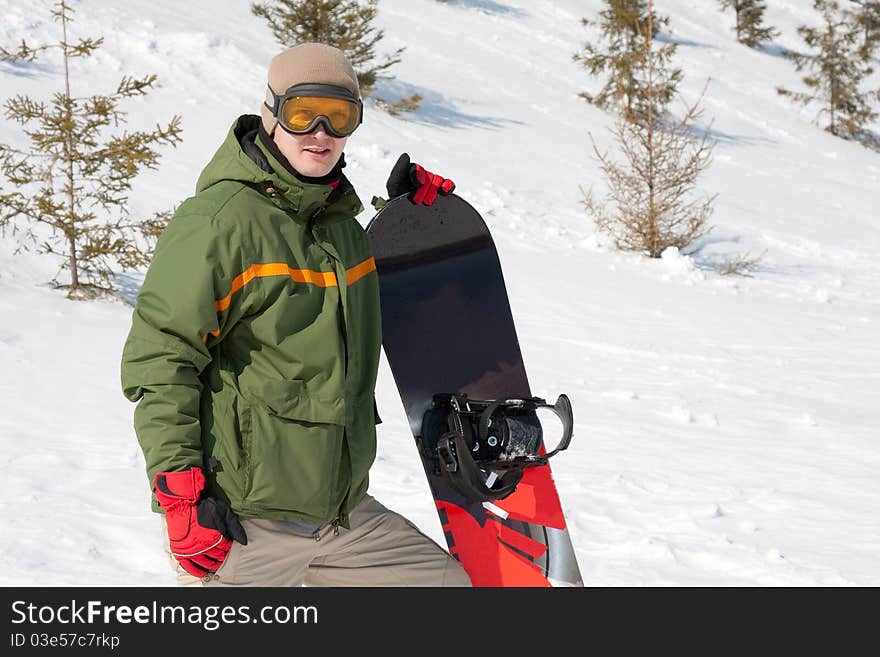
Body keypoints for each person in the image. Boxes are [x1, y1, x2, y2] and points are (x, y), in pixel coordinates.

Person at [120, 43, 470, 587]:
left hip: (342, 519)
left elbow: (372, 310)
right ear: (272, 113)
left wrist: (417, 221)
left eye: (340, 116)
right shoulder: (219, 225)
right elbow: (161, 359)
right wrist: (180, 497)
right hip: (246, 524)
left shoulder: (343, 230)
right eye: (304, 113)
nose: (321, 133)